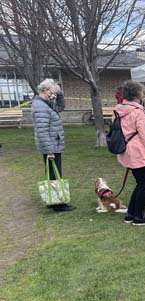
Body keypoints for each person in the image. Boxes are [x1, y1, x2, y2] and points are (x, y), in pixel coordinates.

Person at [115, 80, 145, 226]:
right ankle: (138, 217)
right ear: (137, 95)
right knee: (144, 185)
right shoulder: (138, 113)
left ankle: (130, 214)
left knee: (140, 184)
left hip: (128, 152)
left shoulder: (119, 110)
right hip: (140, 154)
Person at [32, 78, 74, 212]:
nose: (53, 93)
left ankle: (55, 201)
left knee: (54, 173)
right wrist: (49, 150)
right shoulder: (40, 106)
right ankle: (58, 204)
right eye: (52, 90)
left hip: (54, 143)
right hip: (51, 146)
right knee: (54, 174)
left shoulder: (47, 103)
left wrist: (60, 93)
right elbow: (42, 131)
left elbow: (60, 107)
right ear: (44, 90)